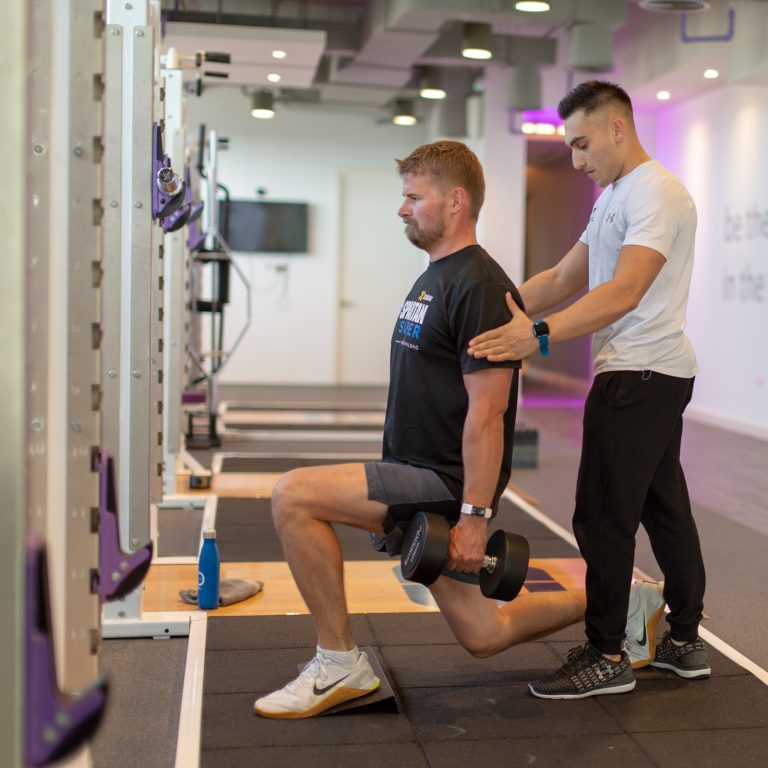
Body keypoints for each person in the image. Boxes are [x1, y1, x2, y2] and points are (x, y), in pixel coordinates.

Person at [253, 140, 664, 719]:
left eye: (413, 197)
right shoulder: (436, 276)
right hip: (416, 475)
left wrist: (474, 516)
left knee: (292, 496)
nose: (402, 208)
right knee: (485, 634)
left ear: (455, 201)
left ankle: (339, 664)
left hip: (439, 481)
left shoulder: (476, 285)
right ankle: (623, 600)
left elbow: (489, 412)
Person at [468, 80, 710, 699]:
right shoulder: (614, 197)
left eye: (582, 144)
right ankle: (683, 642)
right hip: (651, 370)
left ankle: (606, 654)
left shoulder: (657, 192)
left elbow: (625, 290)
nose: (576, 161)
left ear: (617, 129)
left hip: (639, 371)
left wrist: (538, 336)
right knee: (662, 508)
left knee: (603, 517)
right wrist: (493, 314)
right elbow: (563, 276)